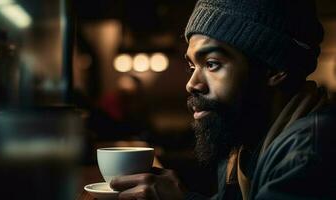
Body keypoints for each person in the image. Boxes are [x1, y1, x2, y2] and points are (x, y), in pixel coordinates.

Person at [109, 0, 336, 199]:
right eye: (192, 66)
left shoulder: (308, 154)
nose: (191, 84)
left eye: (211, 64)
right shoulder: (241, 143)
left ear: (275, 70)